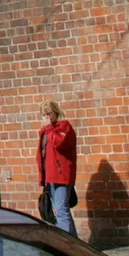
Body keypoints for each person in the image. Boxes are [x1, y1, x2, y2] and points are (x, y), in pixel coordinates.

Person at [37, 100, 78, 235]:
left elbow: (59, 143)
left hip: (61, 176)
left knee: (61, 211)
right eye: (43, 115)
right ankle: (74, 243)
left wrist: (48, 128)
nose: (46, 118)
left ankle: (67, 244)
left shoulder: (64, 127)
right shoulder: (46, 132)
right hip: (50, 176)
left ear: (55, 113)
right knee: (59, 210)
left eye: (48, 114)